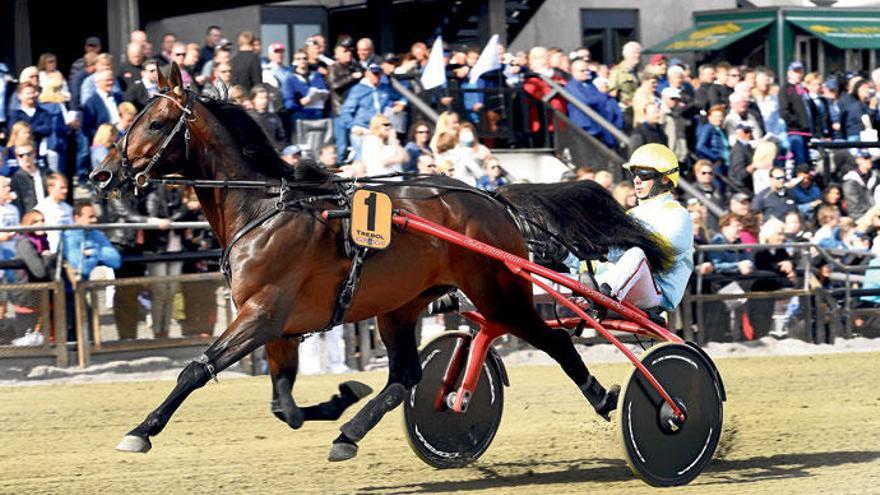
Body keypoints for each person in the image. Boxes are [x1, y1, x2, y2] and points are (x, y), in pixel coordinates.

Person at [568, 143, 693, 315]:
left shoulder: (679, 215)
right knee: (552, 278)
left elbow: (654, 254)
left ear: (665, 179)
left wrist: (605, 252)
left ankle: (601, 297)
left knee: (636, 253)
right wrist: (569, 254)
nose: (636, 180)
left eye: (644, 174)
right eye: (634, 174)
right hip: (622, 284)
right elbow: (604, 261)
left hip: (656, 294)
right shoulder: (631, 215)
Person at [10, 210, 55, 346]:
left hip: (43, 295)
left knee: (46, 338)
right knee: (27, 341)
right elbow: (39, 270)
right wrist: (48, 257)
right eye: (35, 221)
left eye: (42, 220)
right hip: (28, 297)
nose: (40, 224)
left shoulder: (43, 242)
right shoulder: (25, 243)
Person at [34, 173, 72, 253]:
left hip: (69, 251)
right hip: (51, 253)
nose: (65, 191)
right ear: (50, 188)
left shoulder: (68, 208)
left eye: (66, 188)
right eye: (62, 188)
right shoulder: (41, 209)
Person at [82, 69, 122, 142]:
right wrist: (101, 140)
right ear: (98, 83)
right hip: (104, 143)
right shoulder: (91, 102)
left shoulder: (119, 97)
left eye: (112, 80)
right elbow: (87, 128)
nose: (110, 82)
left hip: (121, 138)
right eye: (107, 80)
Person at [10, 141, 49, 215]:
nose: (26, 158)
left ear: (34, 153)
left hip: (49, 216)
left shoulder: (47, 174)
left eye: (28, 154)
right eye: (21, 155)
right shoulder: (15, 179)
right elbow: (17, 204)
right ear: (17, 157)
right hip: (30, 220)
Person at [842, 149, 877, 219]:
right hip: (859, 218)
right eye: (866, 158)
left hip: (875, 215)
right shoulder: (850, 180)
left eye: (870, 158)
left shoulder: (876, 177)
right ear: (858, 160)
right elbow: (854, 208)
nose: (870, 160)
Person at [249, 85, 286, 151]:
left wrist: (279, 147)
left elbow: (281, 137)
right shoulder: (249, 117)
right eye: (260, 98)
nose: (264, 101)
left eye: (265, 98)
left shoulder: (274, 117)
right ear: (253, 99)